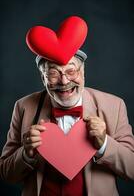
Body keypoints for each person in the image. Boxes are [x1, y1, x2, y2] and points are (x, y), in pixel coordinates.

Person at [0, 18, 134, 195]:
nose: (64, 81)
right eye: (53, 73)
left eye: (71, 71)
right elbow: (6, 174)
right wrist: (26, 153)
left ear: (83, 72)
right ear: (43, 79)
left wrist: (104, 145)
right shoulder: (23, 107)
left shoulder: (114, 106)